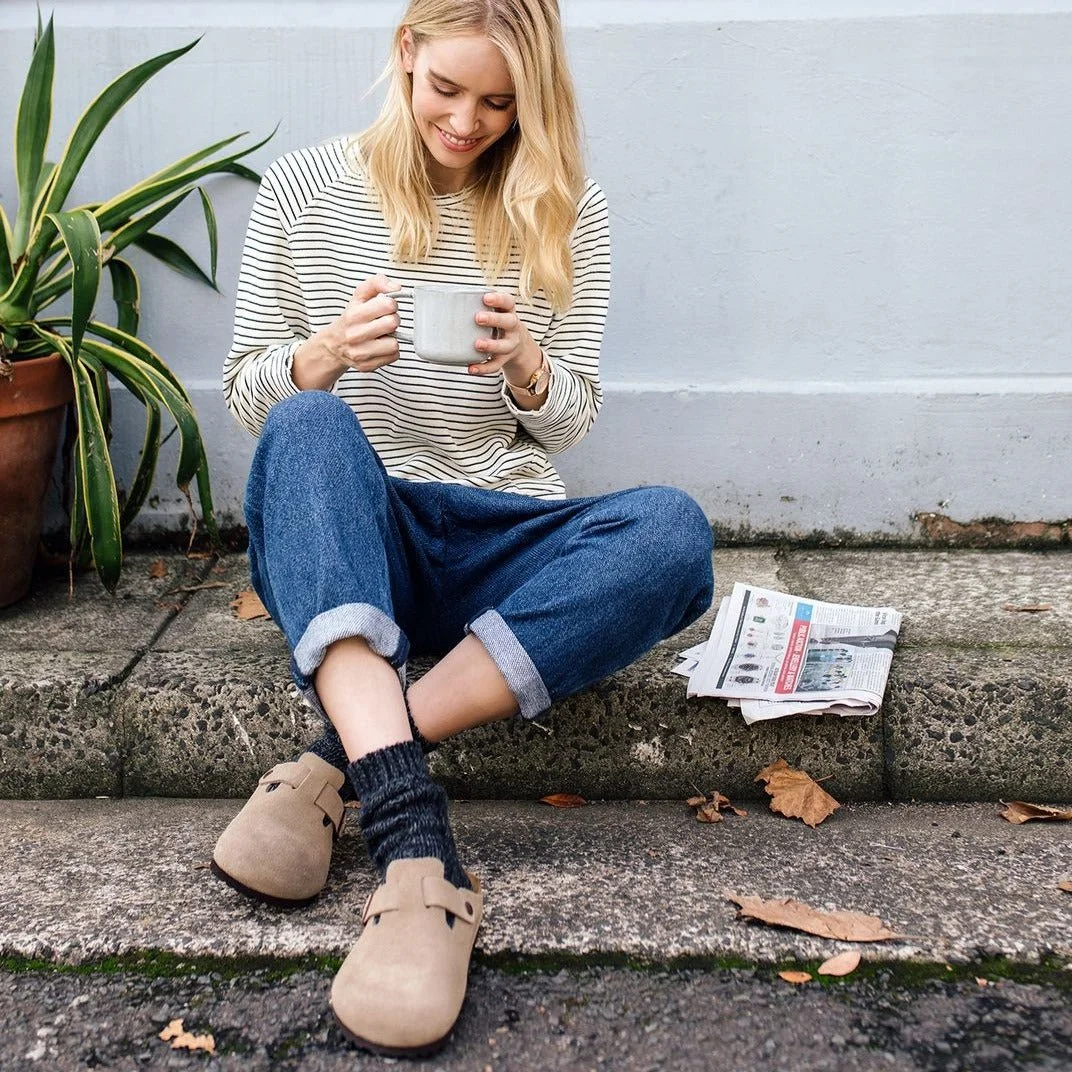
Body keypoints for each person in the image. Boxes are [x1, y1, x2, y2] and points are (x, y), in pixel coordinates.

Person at [214, 0, 714, 1057]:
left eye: (498, 102)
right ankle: (414, 839)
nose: (466, 122)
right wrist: (324, 355)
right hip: (358, 533)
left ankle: (336, 763)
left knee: (672, 532)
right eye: (447, 89)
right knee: (307, 424)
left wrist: (528, 365)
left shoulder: (562, 207)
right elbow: (251, 398)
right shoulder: (301, 189)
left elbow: (569, 418)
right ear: (406, 54)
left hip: (497, 525)